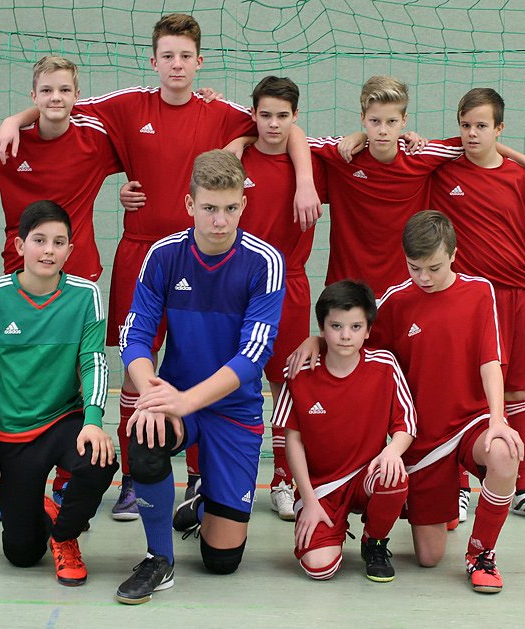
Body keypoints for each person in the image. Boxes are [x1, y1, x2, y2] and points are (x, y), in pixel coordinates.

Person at [0, 13, 316, 520]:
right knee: (135, 361)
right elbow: (59, 105)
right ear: (153, 60)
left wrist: (305, 179)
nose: (177, 65)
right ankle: (131, 478)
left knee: (207, 363)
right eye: (168, 56)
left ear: (199, 61)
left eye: (185, 56)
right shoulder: (126, 106)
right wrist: (15, 120)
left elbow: (284, 126)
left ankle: (202, 479)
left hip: (202, 257)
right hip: (142, 251)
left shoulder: (221, 112)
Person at [291, 210, 523, 594]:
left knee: (504, 451)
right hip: (423, 443)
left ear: (454, 254)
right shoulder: (396, 302)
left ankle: (481, 554)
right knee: (429, 557)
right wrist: (317, 339)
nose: (424, 277)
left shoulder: (480, 292)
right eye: (415, 268)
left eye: (434, 268)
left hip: (471, 423)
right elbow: (353, 334)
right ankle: (437, 503)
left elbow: (489, 362)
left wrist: (497, 419)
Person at [115, 150, 284, 604]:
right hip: (176, 399)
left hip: (234, 411)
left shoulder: (265, 261)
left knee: (221, 562)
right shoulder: (164, 255)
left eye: (230, 208)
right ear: (190, 204)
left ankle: (206, 498)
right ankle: (159, 559)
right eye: (209, 208)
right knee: (146, 437)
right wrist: (152, 392)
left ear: (243, 205)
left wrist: (184, 401)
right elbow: (135, 335)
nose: (220, 221)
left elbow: (253, 355)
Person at [0, 201, 118, 587]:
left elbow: (94, 362)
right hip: (9, 432)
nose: (49, 250)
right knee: (22, 554)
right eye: (39, 240)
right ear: (20, 246)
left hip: (62, 419)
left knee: (98, 459)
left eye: (58, 242)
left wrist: (94, 421)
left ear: (69, 250)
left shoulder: (85, 295)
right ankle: (41, 513)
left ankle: (65, 537)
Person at [428, 88, 525, 526]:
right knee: (463, 392)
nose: (472, 133)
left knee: (517, 391)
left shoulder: (521, 180)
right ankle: (458, 487)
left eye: (482, 126)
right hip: (469, 300)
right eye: (465, 125)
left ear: (499, 129)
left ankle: (523, 489)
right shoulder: (443, 170)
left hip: (516, 297)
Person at [306, 75, 525, 296]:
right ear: (363, 119)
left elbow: (476, 143)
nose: (382, 130)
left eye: (391, 121)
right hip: (349, 287)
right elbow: (295, 139)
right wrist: (307, 182)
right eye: (374, 121)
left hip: (405, 288)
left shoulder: (421, 155)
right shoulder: (343, 151)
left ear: (404, 121)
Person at [274, 280, 415, 582]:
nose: (345, 335)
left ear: (368, 330)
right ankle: (329, 527)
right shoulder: (299, 371)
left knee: (394, 476)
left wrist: (392, 451)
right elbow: (292, 441)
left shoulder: (385, 365)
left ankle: (374, 541)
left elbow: (407, 425)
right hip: (322, 489)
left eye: (355, 327)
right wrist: (309, 501)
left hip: (366, 476)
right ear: (322, 328)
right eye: (336, 326)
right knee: (320, 569)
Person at [237, 75, 327, 521]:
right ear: (253, 115)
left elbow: (361, 143)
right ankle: (231, 477)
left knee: (286, 385)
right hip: (237, 284)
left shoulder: (309, 161)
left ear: (296, 117)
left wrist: (306, 178)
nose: (274, 124)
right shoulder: (236, 158)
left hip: (289, 284)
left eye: (283, 116)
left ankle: (283, 481)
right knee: (236, 381)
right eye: (266, 115)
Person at [0, 55, 123, 282]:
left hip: (76, 272)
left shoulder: (95, 139)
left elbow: (146, 155)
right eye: (46, 90)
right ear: (34, 96)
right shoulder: (7, 142)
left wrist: (131, 188)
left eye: (65, 90)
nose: (56, 97)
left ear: (76, 95)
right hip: (22, 272)